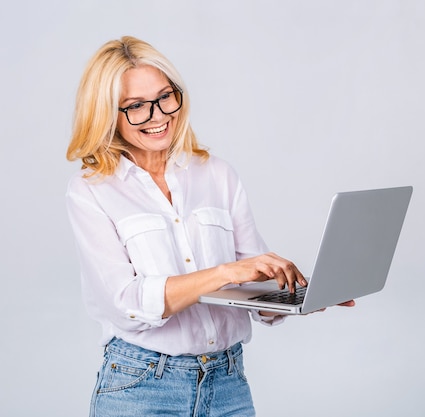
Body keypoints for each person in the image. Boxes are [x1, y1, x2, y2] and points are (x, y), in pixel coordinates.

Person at [65, 36, 354, 417]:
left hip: (226, 383)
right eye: (136, 106)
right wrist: (223, 273)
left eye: (165, 96)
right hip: (141, 386)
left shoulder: (216, 175)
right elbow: (126, 303)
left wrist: (295, 297)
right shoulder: (91, 191)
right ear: (107, 115)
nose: (158, 115)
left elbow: (250, 281)